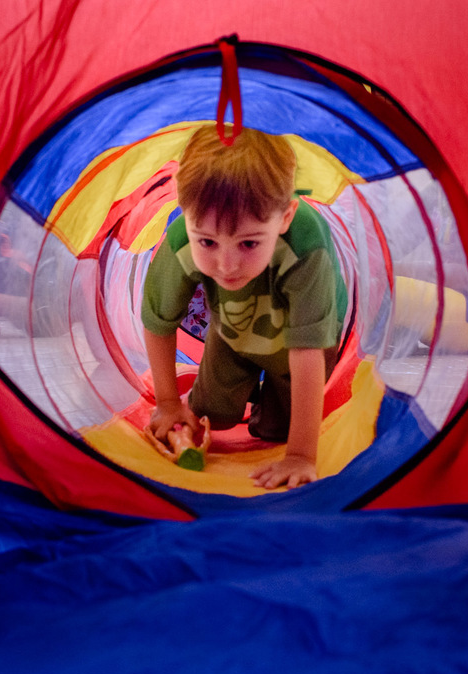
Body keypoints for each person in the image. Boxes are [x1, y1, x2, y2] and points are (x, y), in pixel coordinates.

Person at [141, 125, 346, 489]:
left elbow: (308, 350)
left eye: (248, 244)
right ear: (185, 212)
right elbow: (159, 322)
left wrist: (301, 455)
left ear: (285, 217)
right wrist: (169, 403)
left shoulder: (306, 245)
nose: (227, 265)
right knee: (211, 416)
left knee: (277, 431)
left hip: (304, 341)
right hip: (232, 329)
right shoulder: (181, 242)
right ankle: (241, 388)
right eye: (207, 242)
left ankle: (268, 401)